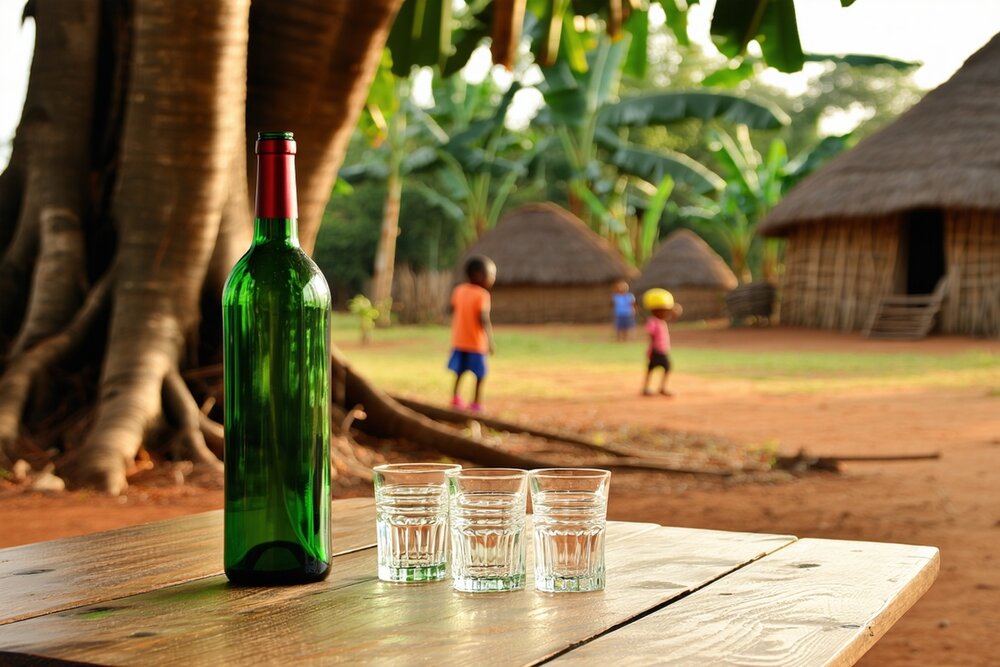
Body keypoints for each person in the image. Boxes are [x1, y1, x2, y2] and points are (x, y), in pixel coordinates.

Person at [448, 256, 496, 412]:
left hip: (459, 341)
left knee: (459, 372)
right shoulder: (482, 295)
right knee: (480, 374)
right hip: (476, 343)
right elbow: (484, 319)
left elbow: (453, 309)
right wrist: (490, 341)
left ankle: (455, 398)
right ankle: (476, 403)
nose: (493, 279)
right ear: (478, 275)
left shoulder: (458, 290)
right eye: (491, 275)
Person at [641, 288, 683, 397]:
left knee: (652, 368)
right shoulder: (653, 322)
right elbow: (651, 337)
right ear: (655, 311)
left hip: (662, 350)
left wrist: (675, 312)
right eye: (663, 310)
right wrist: (651, 349)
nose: (665, 313)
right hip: (657, 351)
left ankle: (650, 388)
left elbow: (671, 318)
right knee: (665, 367)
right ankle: (659, 388)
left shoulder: (660, 320)